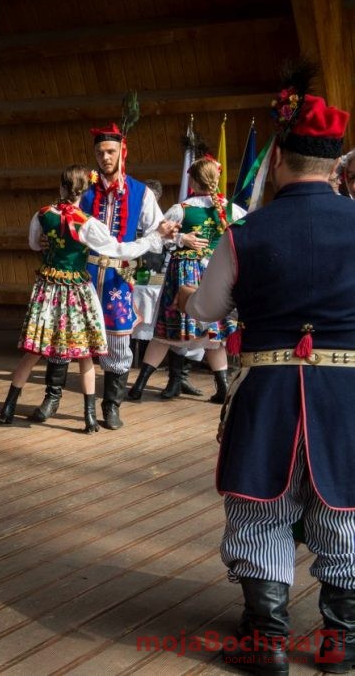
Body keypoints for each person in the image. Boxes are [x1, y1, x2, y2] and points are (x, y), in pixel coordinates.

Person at [183, 91, 355, 673]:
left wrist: (186, 296)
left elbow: (207, 310)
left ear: (276, 157)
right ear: (336, 165)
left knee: (262, 509)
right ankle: (342, 641)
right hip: (346, 396)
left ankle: (267, 641)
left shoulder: (244, 232)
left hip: (267, 392)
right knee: (346, 512)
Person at [0, 165, 175, 433]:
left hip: (49, 289)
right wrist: (153, 240)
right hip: (76, 290)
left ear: (61, 187)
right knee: (84, 354)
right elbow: (119, 249)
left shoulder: (42, 213)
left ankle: (9, 407)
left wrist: (48, 242)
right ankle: (87, 415)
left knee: (35, 350)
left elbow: (34, 244)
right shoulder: (87, 223)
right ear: (85, 192)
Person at [47, 123, 163, 430]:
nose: (105, 158)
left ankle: (111, 405)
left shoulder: (141, 192)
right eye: (100, 153)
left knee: (119, 340)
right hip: (80, 273)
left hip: (118, 276)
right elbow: (60, 217)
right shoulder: (83, 187)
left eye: (111, 151)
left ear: (123, 152)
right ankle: (52, 397)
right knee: (65, 333)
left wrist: (171, 236)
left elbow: (157, 230)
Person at [127, 157, 244, 404]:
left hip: (184, 274)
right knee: (214, 334)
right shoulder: (231, 210)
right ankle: (222, 389)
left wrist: (181, 239)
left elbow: (156, 237)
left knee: (165, 332)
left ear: (192, 181)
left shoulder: (181, 209)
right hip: (215, 273)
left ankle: (138, 386)